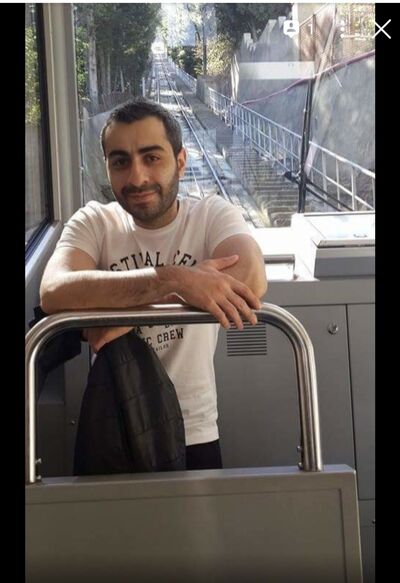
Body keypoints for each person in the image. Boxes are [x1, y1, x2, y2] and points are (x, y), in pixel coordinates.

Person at [40, 98, 267, 470]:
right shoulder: (94, 221)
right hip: (113, 425)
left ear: (180, 161)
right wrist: (175, 280)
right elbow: (54, 291)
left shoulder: (210, 215)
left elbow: (251, 279)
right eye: (120, 162)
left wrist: (126, 309)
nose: (137, 178)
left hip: (193, 429)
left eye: (152, 157)